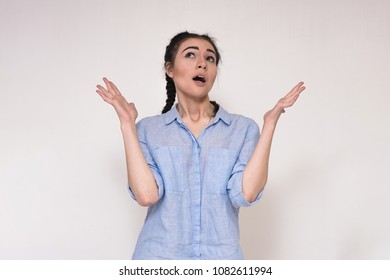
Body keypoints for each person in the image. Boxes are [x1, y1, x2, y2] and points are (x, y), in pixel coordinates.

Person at [96, 31, 305, 259]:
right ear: (170, 69)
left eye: (210, 59)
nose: (202, 64)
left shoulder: (242, 129)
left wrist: (270, 124)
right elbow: (147, 195)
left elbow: (245, 194)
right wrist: (127, 123)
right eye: (190, 55)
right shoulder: (148, 130)